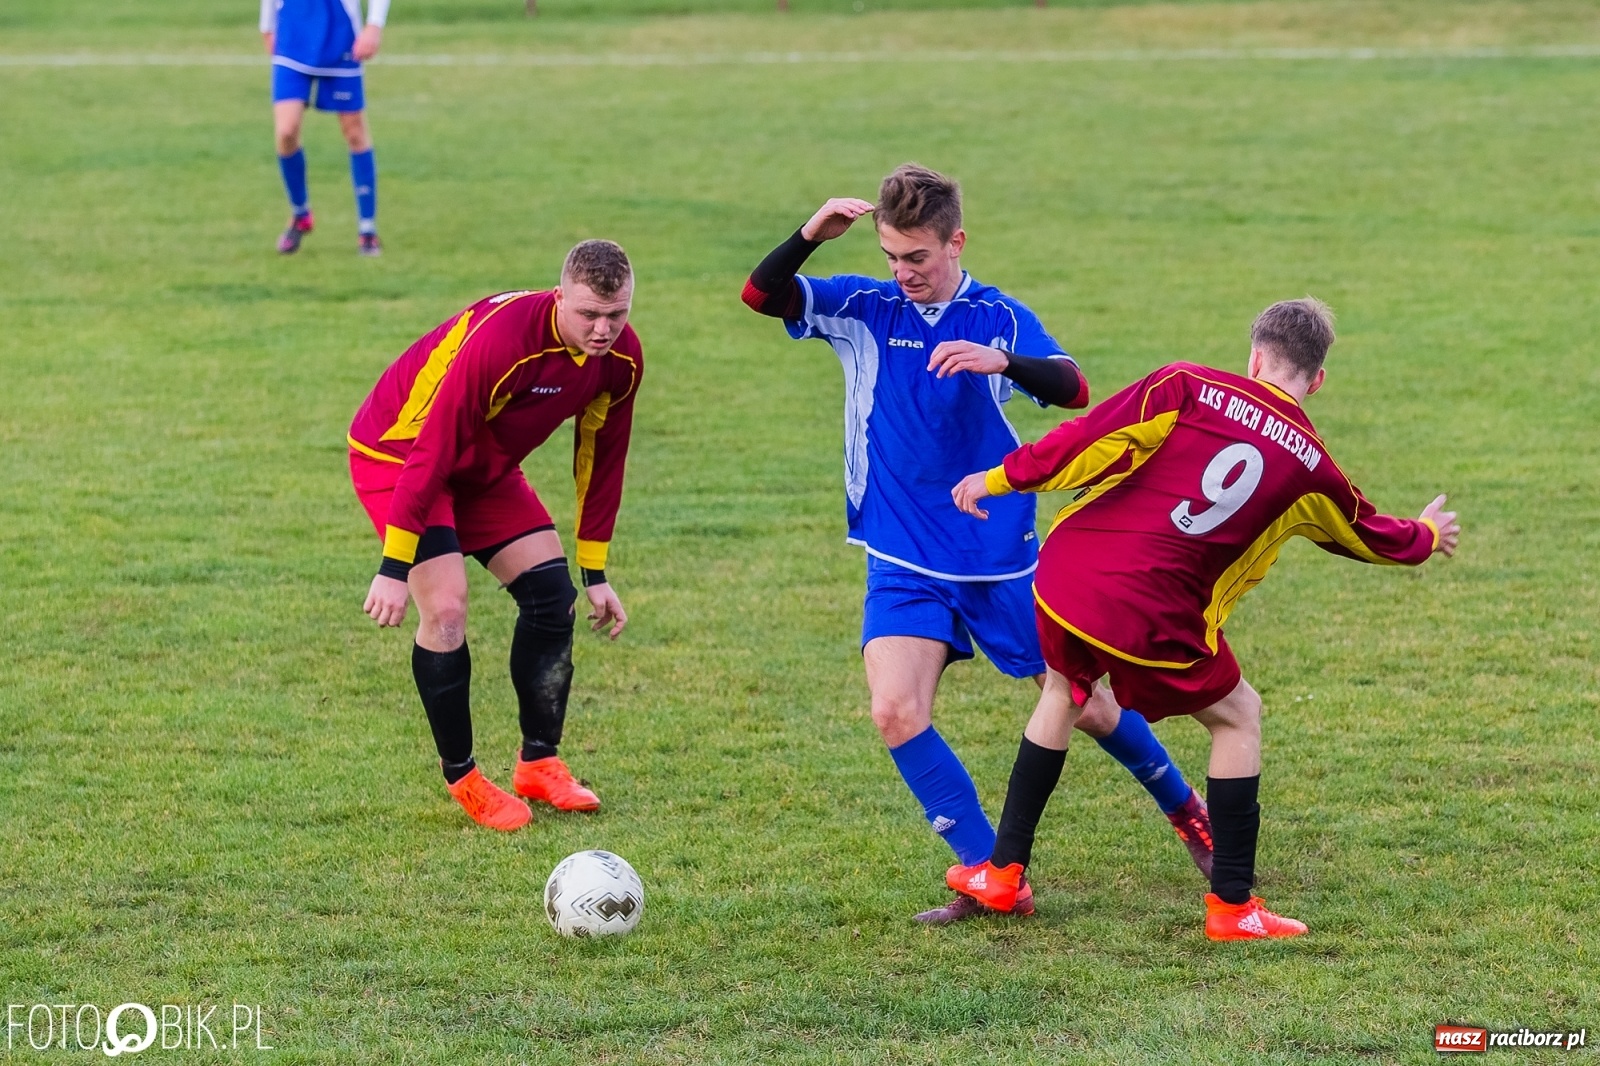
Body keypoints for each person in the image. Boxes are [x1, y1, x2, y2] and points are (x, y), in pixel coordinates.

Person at [741, 163, 1212, 922]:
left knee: (1086, 705)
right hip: (899, 556)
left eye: (918, 258)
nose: (903, 274)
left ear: (956, 242)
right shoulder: (863, 305)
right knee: (894, 711)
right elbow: (761, 297)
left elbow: (1073, 385)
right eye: (893, 256)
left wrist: (1004, 362)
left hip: (998, 559)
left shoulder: (996, 315)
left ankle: (1189, 810)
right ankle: (992, 872)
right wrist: (808, 236)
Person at [944, 297, 1461, 939]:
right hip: (1153, 608)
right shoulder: (1312, 469)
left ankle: (1001, 873)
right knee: (1239, 716)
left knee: (1064, 689)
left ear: (1255, 356)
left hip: (1065, 576)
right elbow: (1367, 533)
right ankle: (1233, 908)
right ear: (1317, 380)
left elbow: (1085, 438)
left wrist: (999, 479)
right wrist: (1425, 535)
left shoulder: (1184, 384)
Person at [348, 240, 641, 830]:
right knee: (449, 609)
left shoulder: (621, 360)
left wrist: (596, 573)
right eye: (589, 314)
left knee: (551, 600)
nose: (604, 328)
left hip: (482, 465)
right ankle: (464, 777)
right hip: (400, 455)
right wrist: (394, 566)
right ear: (559, 297)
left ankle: (539, 763)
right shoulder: (505, 341)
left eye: (617, 314)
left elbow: (601, 459)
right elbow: (431, 449)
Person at [261, 0, 388, 256]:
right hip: (292, 36)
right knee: (286, 132)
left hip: (340, 37)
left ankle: (367, 230)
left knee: (354, 133)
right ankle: (300, 215)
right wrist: (266, 26)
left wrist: (374, 26)